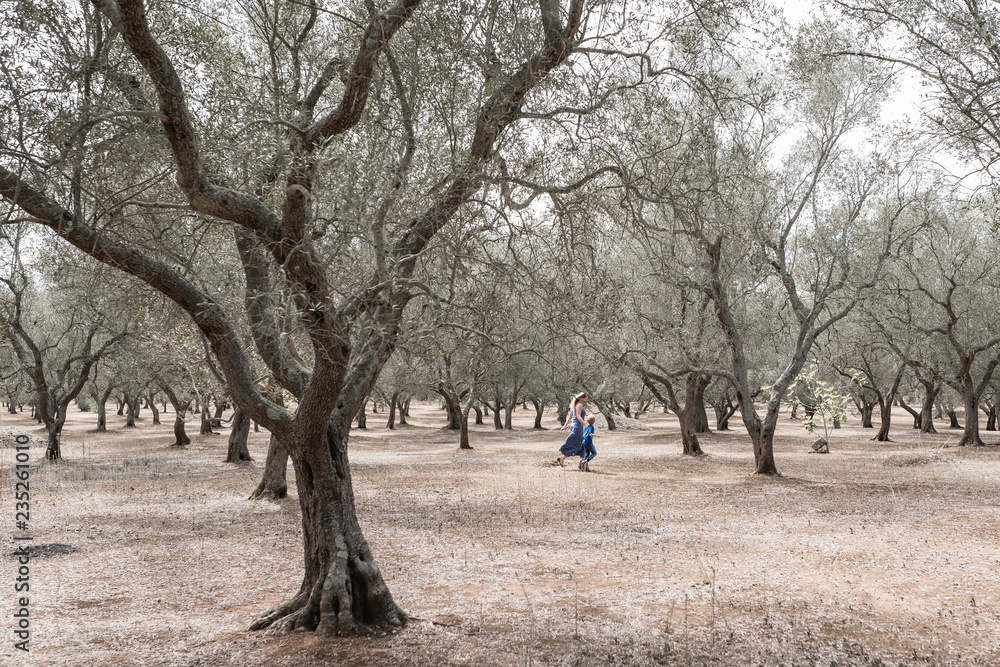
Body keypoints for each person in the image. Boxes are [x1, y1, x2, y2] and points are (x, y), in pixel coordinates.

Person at [554, 392, 587, 466]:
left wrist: (564, 426)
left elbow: (569, 418)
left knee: (582, 444)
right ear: (581, 398)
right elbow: (578, 416)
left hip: (575, 427)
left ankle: (582, 462)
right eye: (585, 399)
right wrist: (585, 425)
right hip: (577, 427)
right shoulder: (579, 405)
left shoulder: (575, 406)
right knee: (577, 445)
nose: (586, 401)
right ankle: (562, 457)